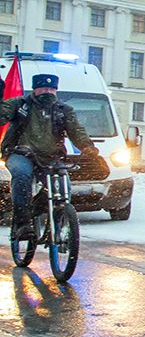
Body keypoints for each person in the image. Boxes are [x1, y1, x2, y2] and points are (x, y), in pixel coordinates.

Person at [1, 72, 106, 243]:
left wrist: (88, 148)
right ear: (35, 90)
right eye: (43, 88)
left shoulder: (63, 110)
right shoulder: (20, 105)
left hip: (51, 156)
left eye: (51, 89)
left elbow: (76, 131)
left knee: (63, 185)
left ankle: (59, 217)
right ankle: (22, 223)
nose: (47, 92)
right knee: (22, 175)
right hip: (20, 153)